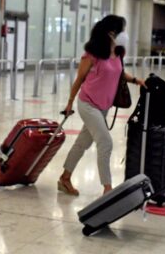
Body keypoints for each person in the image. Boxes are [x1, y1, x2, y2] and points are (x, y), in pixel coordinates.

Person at [58, 15, 145, 196]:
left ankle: (64, 178)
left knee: (82, 143)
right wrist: (69, 103)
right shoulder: (92, 54)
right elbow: (79, 80)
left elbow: (120, 74)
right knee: (105, 142)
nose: (124, 34)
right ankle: (107, 188)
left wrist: (137, 80)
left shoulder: (118, 53)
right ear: (110, 33)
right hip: (87, 103)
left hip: (104, 107)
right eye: (120, 30)